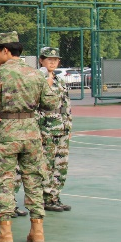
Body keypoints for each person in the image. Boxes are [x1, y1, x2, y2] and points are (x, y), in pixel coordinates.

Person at [0, 31, 57, 242]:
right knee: (34, 181)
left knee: (5, 181)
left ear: (5, 50)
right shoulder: (35, 74)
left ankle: (6, 234)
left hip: (7, 131)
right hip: (31, 131)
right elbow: (51, 103)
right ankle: (37, 232)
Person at [37, 46, 72, 212]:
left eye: (55, 60)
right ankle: (45, 198)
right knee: (47, 165)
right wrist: (38, 130)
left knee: (61, 165)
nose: (53, 62)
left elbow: (66, 105)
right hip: (47, 129)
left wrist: (68, 126)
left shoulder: (60, 81)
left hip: (61, 129)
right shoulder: (37, 80)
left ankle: (55, 196)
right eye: (49, 59)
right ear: (41, 60)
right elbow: (34, 106)